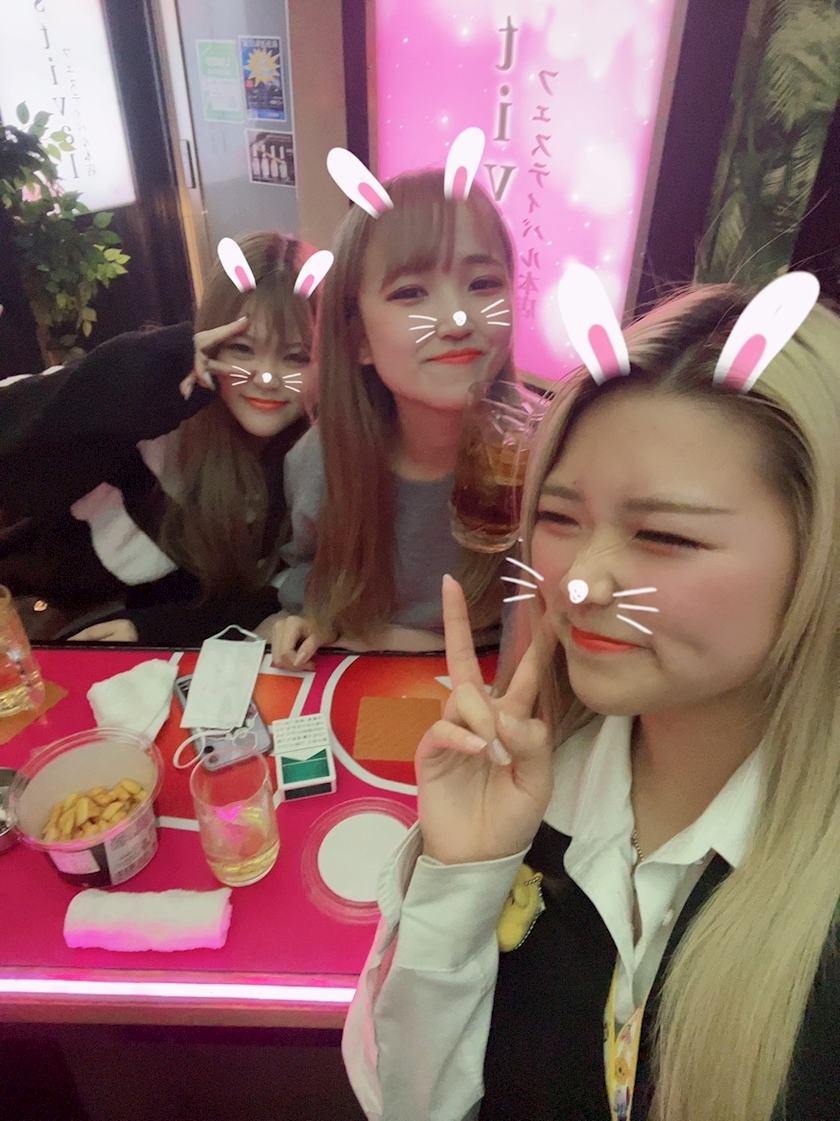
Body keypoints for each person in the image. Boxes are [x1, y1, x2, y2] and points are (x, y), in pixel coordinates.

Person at [341, 283, 840, 1120]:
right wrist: (460, 879)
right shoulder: (528, 791)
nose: (579, 580)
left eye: (665, 535)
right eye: (561, 517)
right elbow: (410, 1103)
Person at [0, 231, 317, 646]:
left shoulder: (313, 460)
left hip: (135, 659)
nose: (268, 378)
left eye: (295, 356)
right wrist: (156, 366)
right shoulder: (151, 415)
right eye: (242, 348)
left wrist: (153, 629)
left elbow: (286, 591)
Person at [269, 168, 518, 668]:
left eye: (483, 283)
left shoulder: (548, 461)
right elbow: (308, 573)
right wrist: (312, 619)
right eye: (410, 293)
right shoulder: (320, 462)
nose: (457, 320)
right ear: (357, 338)